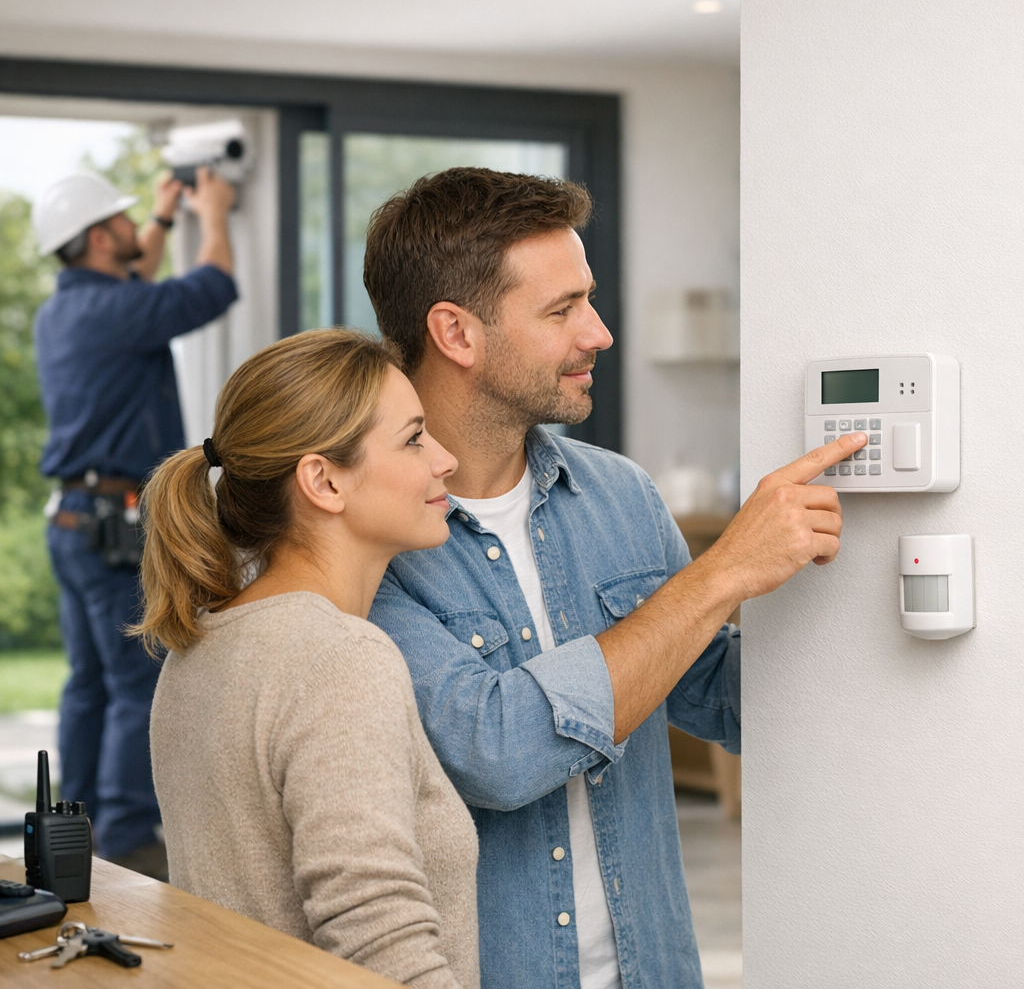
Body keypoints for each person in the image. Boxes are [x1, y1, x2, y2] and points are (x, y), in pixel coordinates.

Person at [363, 168, 867, 989]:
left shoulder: (620, 494)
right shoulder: (369, 536)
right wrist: (723, 571)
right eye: (561, 310)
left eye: (588, 301)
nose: (598, 333)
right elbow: (497, 754)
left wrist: (861, 575)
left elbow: (719, 697)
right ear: (455, 332)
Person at [137, 328, 479, 989]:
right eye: (413, 439)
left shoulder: (200, 649)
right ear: (323, 481)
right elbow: (380, 939)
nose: (446, 460)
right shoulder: (340, 658)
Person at [31, 166, 238, 878]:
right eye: (121, 219)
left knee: (88, 682)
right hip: (110, 527)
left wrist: (163, 214)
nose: (133, 227)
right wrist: (214, 213)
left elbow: (135, 275)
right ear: (97, 237)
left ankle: (74, 826)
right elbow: (212, 287)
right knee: (132, 680)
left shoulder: (66, 311)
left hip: (74, 521)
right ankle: (124, 839)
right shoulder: (114, 311)